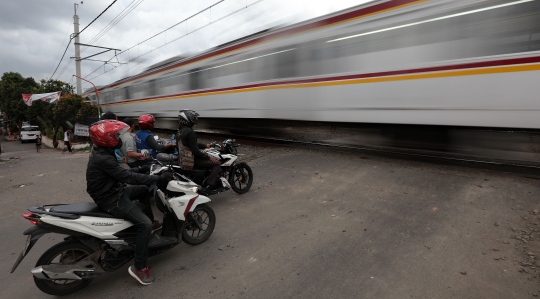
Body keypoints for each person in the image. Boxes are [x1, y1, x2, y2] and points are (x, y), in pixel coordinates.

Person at [86, 120, 172, 285]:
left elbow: (119, 173)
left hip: (112, 191)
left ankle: (149, 223)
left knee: (142, 189)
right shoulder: (104, 158)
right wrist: (158, 178)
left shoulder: (102, 153)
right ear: (107, 138)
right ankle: (139, 268)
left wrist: (141, 169)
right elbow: (126, 177)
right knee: (144, 225)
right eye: (116, 135)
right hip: (112, 199)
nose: (119, 137)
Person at [177, 109, 221, 192]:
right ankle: (209, 185)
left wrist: (205, 146)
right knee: (217, 163)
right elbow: (195, 151)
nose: (196, 120)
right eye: (193, 118)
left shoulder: (180, 131)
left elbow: (190, 144)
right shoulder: (190, 132)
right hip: (192, 160)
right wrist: (208, 157)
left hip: (183, 159)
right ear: (188, 119)